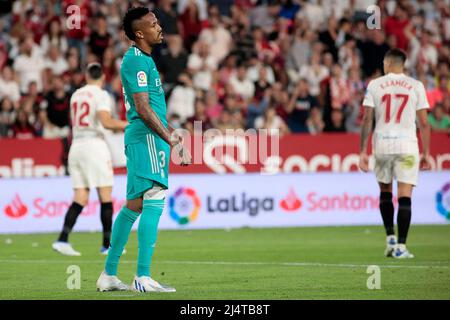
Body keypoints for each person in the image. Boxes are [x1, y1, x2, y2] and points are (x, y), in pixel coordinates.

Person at [96, 7, 191, 293]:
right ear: (140, 33)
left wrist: (172, 133)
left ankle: (109, 274)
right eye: (153, 24)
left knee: (134, 205)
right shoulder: (137, 61)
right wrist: (169, 139)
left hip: (145, 136)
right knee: (155, 195)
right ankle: (143, 276)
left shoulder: (142, 60)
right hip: (147, 137)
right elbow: (142, 108)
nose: (159, 27)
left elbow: (153, 111)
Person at [359, 49, 431, 259]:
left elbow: (366, 119)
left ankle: (390, 238)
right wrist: (426, 152)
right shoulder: (416, 86)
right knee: (405, 196)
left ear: (388, 64)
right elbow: (424, 123)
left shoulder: (374, 85)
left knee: (385, 192)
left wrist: (362, 150)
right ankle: (401, 246)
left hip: (382, 143)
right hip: (407, 145)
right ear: (403, 64)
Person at [52, 63, 127, 256]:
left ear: (86, 76)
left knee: (81, 197)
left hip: (76, 146)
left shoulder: (76, 95)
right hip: (94, 146)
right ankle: (107, 245)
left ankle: (62, 240)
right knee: (105, 195)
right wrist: (130, 124)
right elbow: (106, 122)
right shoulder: (101, 95)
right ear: (102, 78)